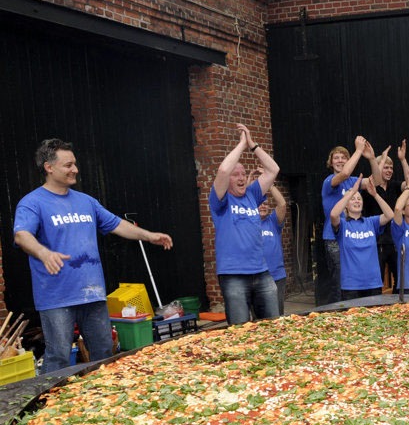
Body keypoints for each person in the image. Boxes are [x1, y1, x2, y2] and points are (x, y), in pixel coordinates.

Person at [14, 138, 173, 373]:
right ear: (49, 167)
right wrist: (44, 253)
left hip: (93, 294)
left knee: (104, 354)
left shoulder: (86, 201)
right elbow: (21, 235)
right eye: (68, 165)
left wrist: (148, 235)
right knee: (58, 356)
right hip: (57, 297)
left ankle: (102, 402)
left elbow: (117, 224)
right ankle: (49, 405)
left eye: (74, 164)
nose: (75, 169)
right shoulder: (32, 203)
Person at [209, 123, 281, 325]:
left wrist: (252, 145)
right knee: (240, 333)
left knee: (274, 326)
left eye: (243, 174)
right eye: (236, 174)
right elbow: (223, 170)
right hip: (233, 276)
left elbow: (273, 169)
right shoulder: (220, 200)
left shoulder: (252, 194)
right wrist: (241, 144)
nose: (241, 178)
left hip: (261, 272)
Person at [330, 178, 395, 300]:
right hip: (351, 285)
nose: (356, 201)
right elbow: (333, 214)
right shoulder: (343, 225)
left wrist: (375, 195)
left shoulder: (371, 222)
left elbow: (390, 215)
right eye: (352, 199)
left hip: (373, 283)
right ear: (346, 205)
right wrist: (351, 192)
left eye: (359, 199)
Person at [319, 137, 366, 305]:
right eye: (336, 157)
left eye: (343, 157)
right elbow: (344, 173)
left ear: (348, 160)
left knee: (354, 278)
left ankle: (354, 312)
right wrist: (359, 150)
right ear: (331, 163)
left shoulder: (353, 181)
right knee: (340, 279)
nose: (340, 160)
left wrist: (373, 159)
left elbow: (377, 181)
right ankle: (338, 314)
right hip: (334, 238)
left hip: (352, 235)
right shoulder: (329, 181)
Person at [361, 140, 409, 291]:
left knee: (401, 281)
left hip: (395, 241)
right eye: (385, 167)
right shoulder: (369, 188)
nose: (389, 170)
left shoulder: (394, 186)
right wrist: (379, 160)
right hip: (377, 242)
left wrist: (402, 160)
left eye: (391, 168)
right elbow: (373, 180)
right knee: (377, 282)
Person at [259, 173, 289, 315]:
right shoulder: (248, 223)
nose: (263, 206)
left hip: (276, 275)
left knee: (277, 314)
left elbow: (282, 204)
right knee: (258, 315)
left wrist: (270, 184)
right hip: (256, 275)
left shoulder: (272, 221)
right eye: (259, 204)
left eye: (265, 203)